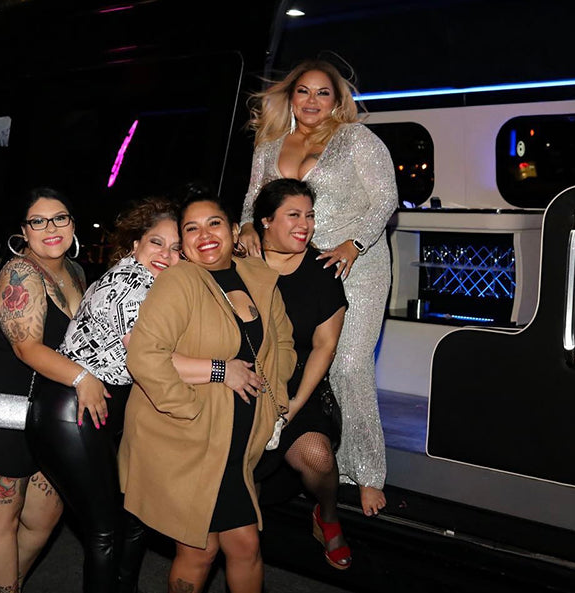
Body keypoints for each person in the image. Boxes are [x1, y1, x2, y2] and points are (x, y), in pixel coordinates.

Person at [238, 58, 398, 516]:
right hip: (298, 268)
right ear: (291, 97)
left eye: (322, 92)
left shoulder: (356, 139)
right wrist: (247, 226)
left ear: (336, 99)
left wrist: (355, 243)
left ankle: (365, 473)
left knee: (349, 365)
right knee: (298, 357)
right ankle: (307, 450)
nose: (312, 100)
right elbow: (253, 199)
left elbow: (386, 198)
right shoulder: (270, 144)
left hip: (356, 264)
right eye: (303, 91)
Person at [120, 189, 296, 593]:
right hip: (189, 441)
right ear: (184, 244)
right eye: (192, 229)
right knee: (206, 549)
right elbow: (145, 355)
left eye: (214, 223)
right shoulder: (179, 282)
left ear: (234, 231)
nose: (205, 235)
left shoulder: (259, 278)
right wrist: (191, 409)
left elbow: (283, 343)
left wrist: (273, 397)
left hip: (234, 443)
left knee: (236, 546)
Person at [0, 187, 102, 592]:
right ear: (24, 231)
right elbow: (26, 347)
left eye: (60, 218)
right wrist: (83, 378)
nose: (51, 229)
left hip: (41, 414)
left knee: (44, 517)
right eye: (38, 221)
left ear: (73, 224)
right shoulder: (20, 272)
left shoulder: (75, 271)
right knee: (3, 520)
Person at [28, 196, 181, 593]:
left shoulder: (155, 284)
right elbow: (150, 358)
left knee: (132, 517)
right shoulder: (132, 281)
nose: (166, 255)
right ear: (136, 244)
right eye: (157, 243)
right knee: (104, 530)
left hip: (97, 411)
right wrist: (220, 369)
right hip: (73, 411)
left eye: (176, 248)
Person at [251, 178, 351, 569]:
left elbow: (325, 346)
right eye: (293, 215)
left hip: (300, 388)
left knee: (318, 457)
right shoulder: (239, 262)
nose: (305, 225)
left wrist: (293, 405)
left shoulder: (323, 271)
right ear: (265, 220)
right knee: (243, 497)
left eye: (309, 215)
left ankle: (327, 515)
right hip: (246, 384)